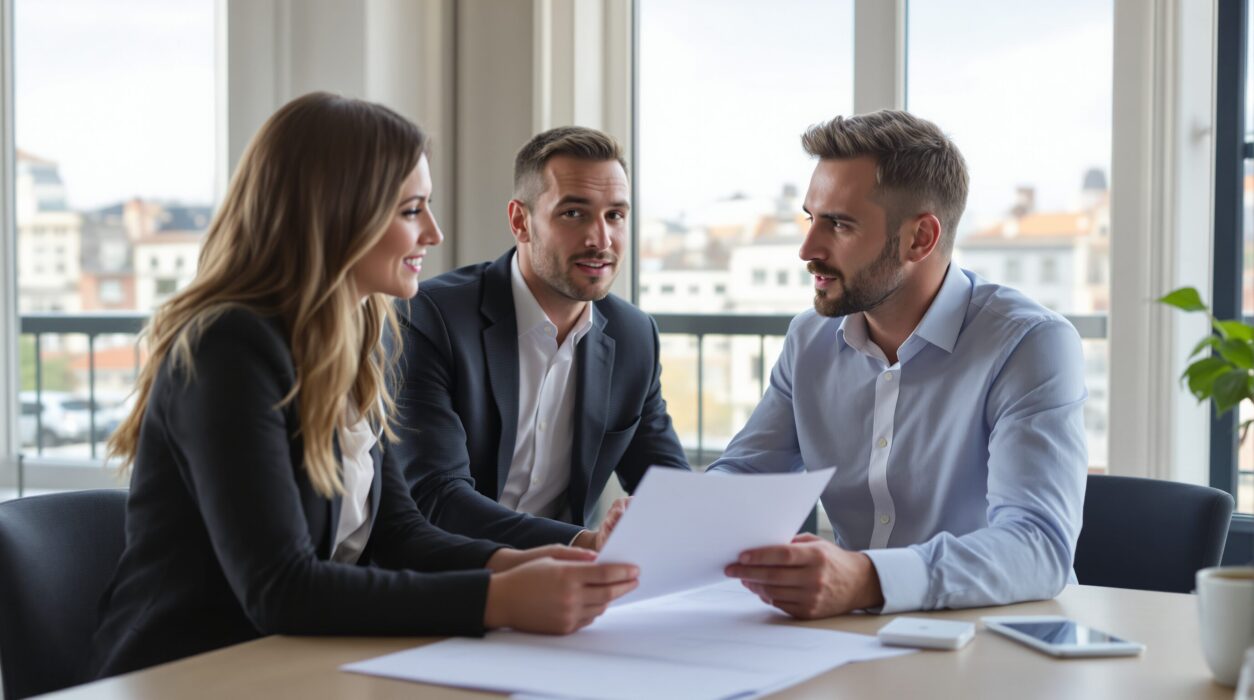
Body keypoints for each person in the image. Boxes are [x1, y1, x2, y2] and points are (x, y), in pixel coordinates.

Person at [90, 93, 638, 679]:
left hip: (297, 665)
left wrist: (525, 563)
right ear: (336, 215)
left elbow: (399, 534)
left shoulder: (352, 341)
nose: (434, 233)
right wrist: (498, 599)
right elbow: (281, 587)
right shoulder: (228, 348)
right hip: (191, 674)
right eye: (411, 210)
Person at [714, 110, 1087, 617]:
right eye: (810, 218)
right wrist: (669, 515)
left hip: (993, 631)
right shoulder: (809, 338)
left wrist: (866, 579)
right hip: (852, 633)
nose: (807, 249)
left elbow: (1037, 546)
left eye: (839, 224)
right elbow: (747, 474)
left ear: (920, 239)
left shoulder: (1029, 343)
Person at [393, 126, 688, 550]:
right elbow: (437, 498)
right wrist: (585, 544)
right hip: (453, 574)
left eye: (615, 215)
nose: (601, 239)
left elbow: (670, 487)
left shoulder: (634, 336)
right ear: (521, 221)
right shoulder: (431, 317)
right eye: (574, 213)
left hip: (572, 578)